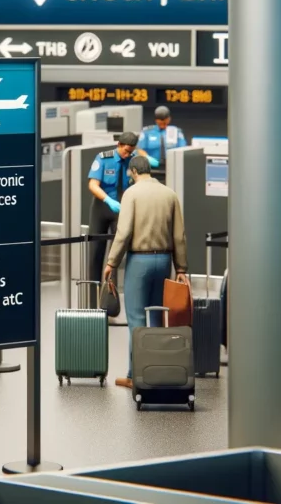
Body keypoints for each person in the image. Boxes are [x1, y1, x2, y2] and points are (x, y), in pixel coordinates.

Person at [102, 155, 189, 389]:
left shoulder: (131, 194)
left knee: (137, 320)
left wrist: (111, 262)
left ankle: (135, 375)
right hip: (164, 261)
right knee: (158, 318)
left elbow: (123, 233)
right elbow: (179, 235)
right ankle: (157, 371)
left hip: (139, 261)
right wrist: (181, 267)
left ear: (133, 171)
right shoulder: (170, 194)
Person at [87, 131, 139, 283]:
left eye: (131, 151)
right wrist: (108, 200)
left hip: (121, 209)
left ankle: (111, 290)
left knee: (116, 252)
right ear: (119, 145)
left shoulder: (133, 160)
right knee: (95, 251)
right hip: (102, 207)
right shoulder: (103, 158)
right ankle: (93, 288)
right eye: (125, 151)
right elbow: (93, 185)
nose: (127, 155)